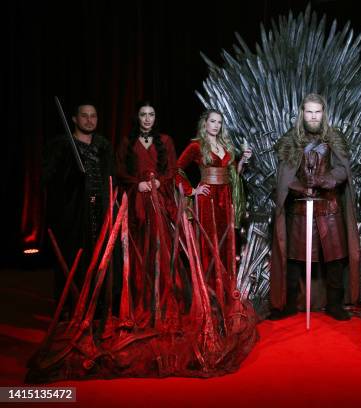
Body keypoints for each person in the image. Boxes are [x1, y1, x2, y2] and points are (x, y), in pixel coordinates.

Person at [270, 93, 360, 321]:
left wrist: (325, 179)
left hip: (329, 206)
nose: (313, 116)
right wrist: (299, 186)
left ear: (323, 113)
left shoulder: (334, 138)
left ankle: (335, 305)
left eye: (317, 112)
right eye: (309, 112)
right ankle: (289, 304)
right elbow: (284, 177)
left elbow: (342, 170)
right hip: (300, 207)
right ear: (302, 113)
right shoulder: (291, 140)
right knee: (294, 257)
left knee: (335, 257)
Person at [175, 109, 251, 304]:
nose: (216, 125)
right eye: (212, 121)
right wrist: (192, 191)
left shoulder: (225, 145)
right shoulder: (196, 146)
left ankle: (223, 290)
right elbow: (176, 169)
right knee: (208, 243)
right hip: (207, 199)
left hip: (225, 199)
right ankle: (209, 293)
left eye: (219, 122)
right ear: (205, 123)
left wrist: (242, 160)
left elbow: (234, 173)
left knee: (225, 243)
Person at [43, 101, 114, 302]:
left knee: (100, 255)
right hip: (73, 214)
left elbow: (110, 177)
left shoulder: (103, 145)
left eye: (93, 116)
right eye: (84, 115)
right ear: (74, 119)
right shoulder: (61, 145)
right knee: (74, 256)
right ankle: (73, 304)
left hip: (100, 212)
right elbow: (48, 178)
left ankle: (99, 303)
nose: (89, 120)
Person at [116, 101, 177, 316]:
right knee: (139, 245)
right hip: (137, 201)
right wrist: (136, 183)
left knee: (160, 244)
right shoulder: (127, 142)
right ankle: (141, 297)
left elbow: (172, 169)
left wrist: (160, 181)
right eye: (143, 114)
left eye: (151, 114)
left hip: (158, 198)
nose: (148, 118)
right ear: (137, 117)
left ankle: (162, 297)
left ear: (155, 117)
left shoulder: (165, 141)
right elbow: (120, 170)